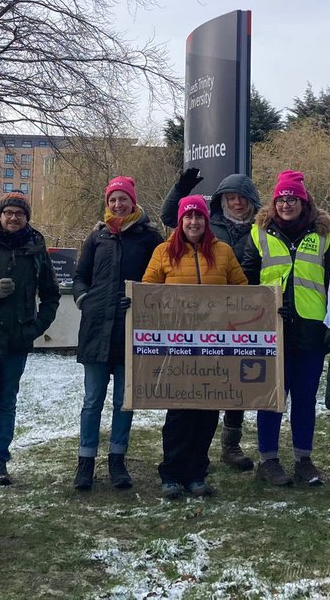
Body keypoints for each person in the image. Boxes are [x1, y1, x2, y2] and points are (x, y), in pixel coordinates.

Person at [144, 195, 249, 498]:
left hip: (215, 347)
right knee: (178, 412)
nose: (193, 222)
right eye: (188, 217)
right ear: (180, 221)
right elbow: (148, 290)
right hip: (177, 347)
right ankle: (171, 473)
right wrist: (134, 301)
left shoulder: (224, 252)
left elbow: (242, 292)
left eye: (199, 217)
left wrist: (267, 307)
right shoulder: (164, 252)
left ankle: (196, 473)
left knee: (207, 412)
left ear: (206, 220)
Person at [159, 167, 262, 470]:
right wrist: (180, 188)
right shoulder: (208, 222)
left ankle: (229, 445)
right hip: (191, 323)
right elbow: (171, 217)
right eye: (230, 197)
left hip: (240, 314)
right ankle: (178, 461)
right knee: (189, 396)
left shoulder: (261, 227)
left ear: (251, 200)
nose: (237, 203)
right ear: (222, 201)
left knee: (232, 386)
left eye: (242, 198)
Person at [0, 192, 60, 489]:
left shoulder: (37, 253)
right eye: (8, 213)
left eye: (19, 213)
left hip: (16, 342)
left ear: (27, 218)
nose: (13, 217)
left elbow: (52, 296)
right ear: (0, 216)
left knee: (7, 404)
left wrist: (35, 328)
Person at [242, 170, 330, 488]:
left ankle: (303, 460)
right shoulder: (259, 233)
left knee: (306, 399)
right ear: (274, 202)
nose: (286, 204)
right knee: (272, 398)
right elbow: (247, 279)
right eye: (281, 199)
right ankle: (268, 460)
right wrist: (262, 308)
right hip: (272, 329)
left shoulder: (324, 234)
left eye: (292, 198)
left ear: (302, 201)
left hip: (311, 329)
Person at [72, 176, 163, 492]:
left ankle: (117, 460)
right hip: (97, 330)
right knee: (92, 401)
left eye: (123, 199)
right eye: (113, 199)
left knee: (125, 402)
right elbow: (80, 277)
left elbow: (159, 279)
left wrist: (141, 300)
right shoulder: (96, 238)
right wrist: (85, 299)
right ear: (107, 202)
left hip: (130, 331)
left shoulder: (148, 238)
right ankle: (85, 462)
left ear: (133, 201)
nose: (118, 204)